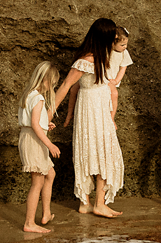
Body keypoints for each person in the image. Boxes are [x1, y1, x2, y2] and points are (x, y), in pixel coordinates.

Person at [53, 18, 125, 218]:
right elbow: (67, 86)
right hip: (92, 110)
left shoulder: (102, 58)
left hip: (98, 108)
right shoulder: (86, 61)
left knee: (98, 151)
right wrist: (51, 113)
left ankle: (86, 203)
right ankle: (97, 203)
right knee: (99, 152)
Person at [17, 61, 61, 233]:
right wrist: (50, 144)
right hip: (34, 141)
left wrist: (46, 124)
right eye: (52, 83)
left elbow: (33, 122)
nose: (52, 87)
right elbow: (35, 124)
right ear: (44, 80)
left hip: (31, 137)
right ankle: (29, 223)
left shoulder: (29, 94)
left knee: (50, 173)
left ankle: (46, 213)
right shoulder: (39, 98)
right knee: (37, 182)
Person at [108, 26, 133, 124]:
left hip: (112, 81)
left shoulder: (124, 53)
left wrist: (117, 80)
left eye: (126, 44)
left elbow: (123, 68)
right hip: (104, 78)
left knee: (114, 95)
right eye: (122, 45)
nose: (125, 47)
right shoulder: (107, 51)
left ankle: (112, 117)